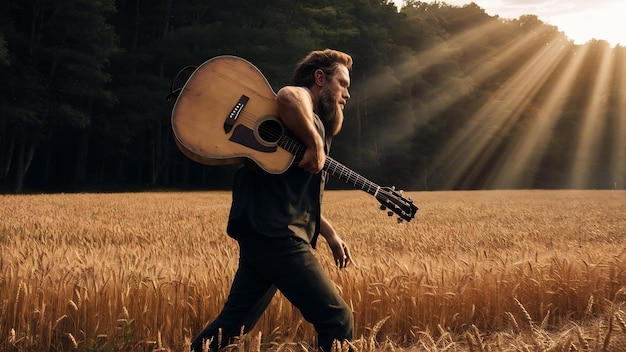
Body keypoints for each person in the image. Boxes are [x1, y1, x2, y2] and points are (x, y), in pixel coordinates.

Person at [190, 49, 354, 352]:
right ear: (320, 79)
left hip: (262, 234)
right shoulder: (299, 109)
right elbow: (289, 95)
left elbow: (294, 196)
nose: (347, 93)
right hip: (279, 237)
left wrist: (329, 233)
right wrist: (315, 143)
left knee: (231, 326)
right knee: (337, 319)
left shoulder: (304, 125)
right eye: (342, 83)